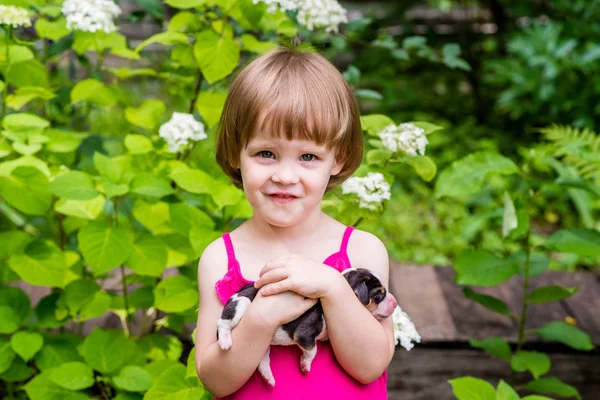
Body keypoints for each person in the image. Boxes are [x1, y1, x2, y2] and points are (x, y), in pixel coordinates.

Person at [194, 46, 395, 399]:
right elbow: (215, 380)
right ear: (233, 154)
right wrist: (261, 317)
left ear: (338, 159)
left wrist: (333, 288)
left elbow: (370, 365)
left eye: (308, 156)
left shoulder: (362, 251)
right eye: (266, 154)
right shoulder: (221, 258)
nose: (286, 176)